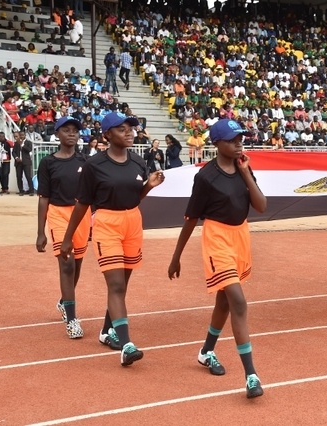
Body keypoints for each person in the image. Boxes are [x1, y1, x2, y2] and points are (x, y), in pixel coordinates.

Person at [168, 119, 267, 399]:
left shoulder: (243, 167)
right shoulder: (206, 177)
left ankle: (206, 351)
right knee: (237, 300)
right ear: (217, 144)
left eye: (241, 139)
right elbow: (191, 218)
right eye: (233, 140)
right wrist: (176, 257)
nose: (239, 144)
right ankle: (251, 376)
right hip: (217, 239)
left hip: (240, 237)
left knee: (224, 300)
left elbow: (261, 206)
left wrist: (246, 173)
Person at [59, 112, 165, 366]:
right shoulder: (95, 165)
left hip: (132, 222)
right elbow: (83, 204)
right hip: (106, 223)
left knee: (123, 283)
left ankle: (108, 332)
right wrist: (68, 238)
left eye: (131, 128)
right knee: (115, 284)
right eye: (121, 129)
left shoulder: (139, 162)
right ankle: (127, 344)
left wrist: (148, 186)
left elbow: (134, 197)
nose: (129, 132)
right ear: (107, 135)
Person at [36, 117, 91, 338]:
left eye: (75, 131)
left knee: (76, 266)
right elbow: (43, 198)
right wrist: (41, 232)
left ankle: (63, 301)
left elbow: (91, 195)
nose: (71, 134)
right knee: (66, 265)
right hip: (58, 214)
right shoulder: (48, 163)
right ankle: (72, 320)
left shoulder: (85, 161)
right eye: (66, 130)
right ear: (57, 134)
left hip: (81, 215)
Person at [12, 131, 34, 196]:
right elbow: (13, 152)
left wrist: (22, 144)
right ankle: (21, 191)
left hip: (26, 162)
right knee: (19, 177)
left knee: (28, 176)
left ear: (25, 135)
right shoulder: (16, 143)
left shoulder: (28, 142)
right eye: (20, 135)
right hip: (18, 162)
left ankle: (31, 190)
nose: (21, 136)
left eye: (22, 135)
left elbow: (29, 150)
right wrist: (16, 157)